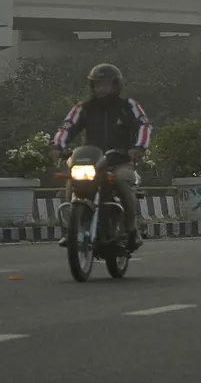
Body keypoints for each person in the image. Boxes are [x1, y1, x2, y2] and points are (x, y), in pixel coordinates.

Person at [52, 63, 152, 251]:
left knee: (122, 181)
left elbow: (144, 126)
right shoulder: (84, 108)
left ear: (116, 86)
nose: (101, 89)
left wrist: (138, 147)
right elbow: (67, 127)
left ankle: (131, 229)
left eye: (105, 84)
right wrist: (58, 145)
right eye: (97, 85)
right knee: (71, 181)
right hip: (92, 161)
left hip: (120, 160)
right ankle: (70, 229)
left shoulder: (128, 106)